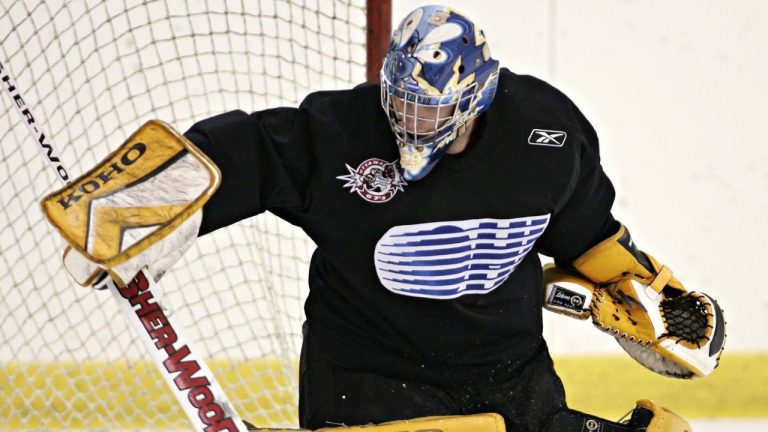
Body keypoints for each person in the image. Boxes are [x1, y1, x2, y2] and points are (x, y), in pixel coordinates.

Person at [50, 5, 725, 432]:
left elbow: (584, 229)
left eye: (429, 111)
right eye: (400, 101)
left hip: (511, 376)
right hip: (370, 386)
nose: (409, 122)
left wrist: (643, 288)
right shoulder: (343, 135)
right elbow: (247, 152)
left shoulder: (543, 134)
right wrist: (144, 206)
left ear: (477, 98)